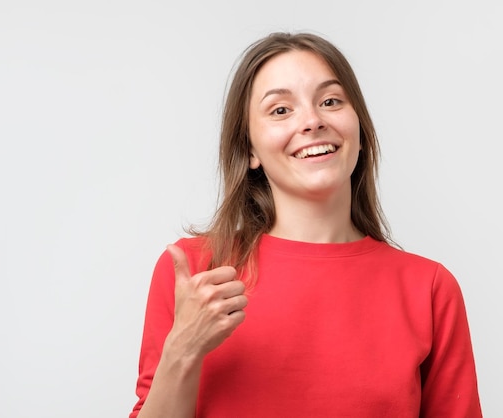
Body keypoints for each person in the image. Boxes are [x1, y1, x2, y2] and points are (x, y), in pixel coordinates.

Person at [129, 31, 482, 418]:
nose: (312, 121)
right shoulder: (195, 273)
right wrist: (182, 349)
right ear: (249, 150)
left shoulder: (428, 289)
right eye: (281, 110)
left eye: (330, 101)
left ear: (359, 131)